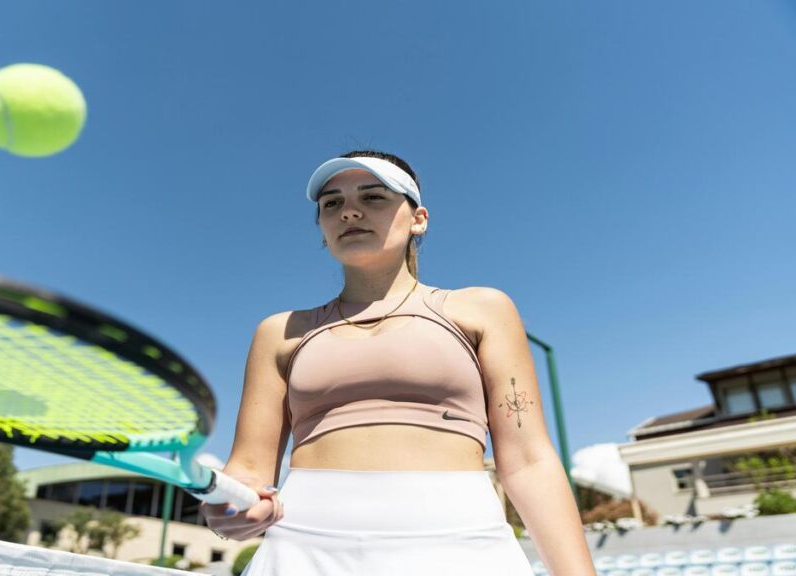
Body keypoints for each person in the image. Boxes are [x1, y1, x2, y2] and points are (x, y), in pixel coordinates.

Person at [201, 150, 596, 574]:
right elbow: (248, 469)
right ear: (321, 227)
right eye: (331, 204)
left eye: (373, 197)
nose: (349, 212)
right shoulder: (278, 332)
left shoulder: (483, 309)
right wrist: (230, 511)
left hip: (462, 546)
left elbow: (528, 460)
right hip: (301, 551)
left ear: (419, 219)